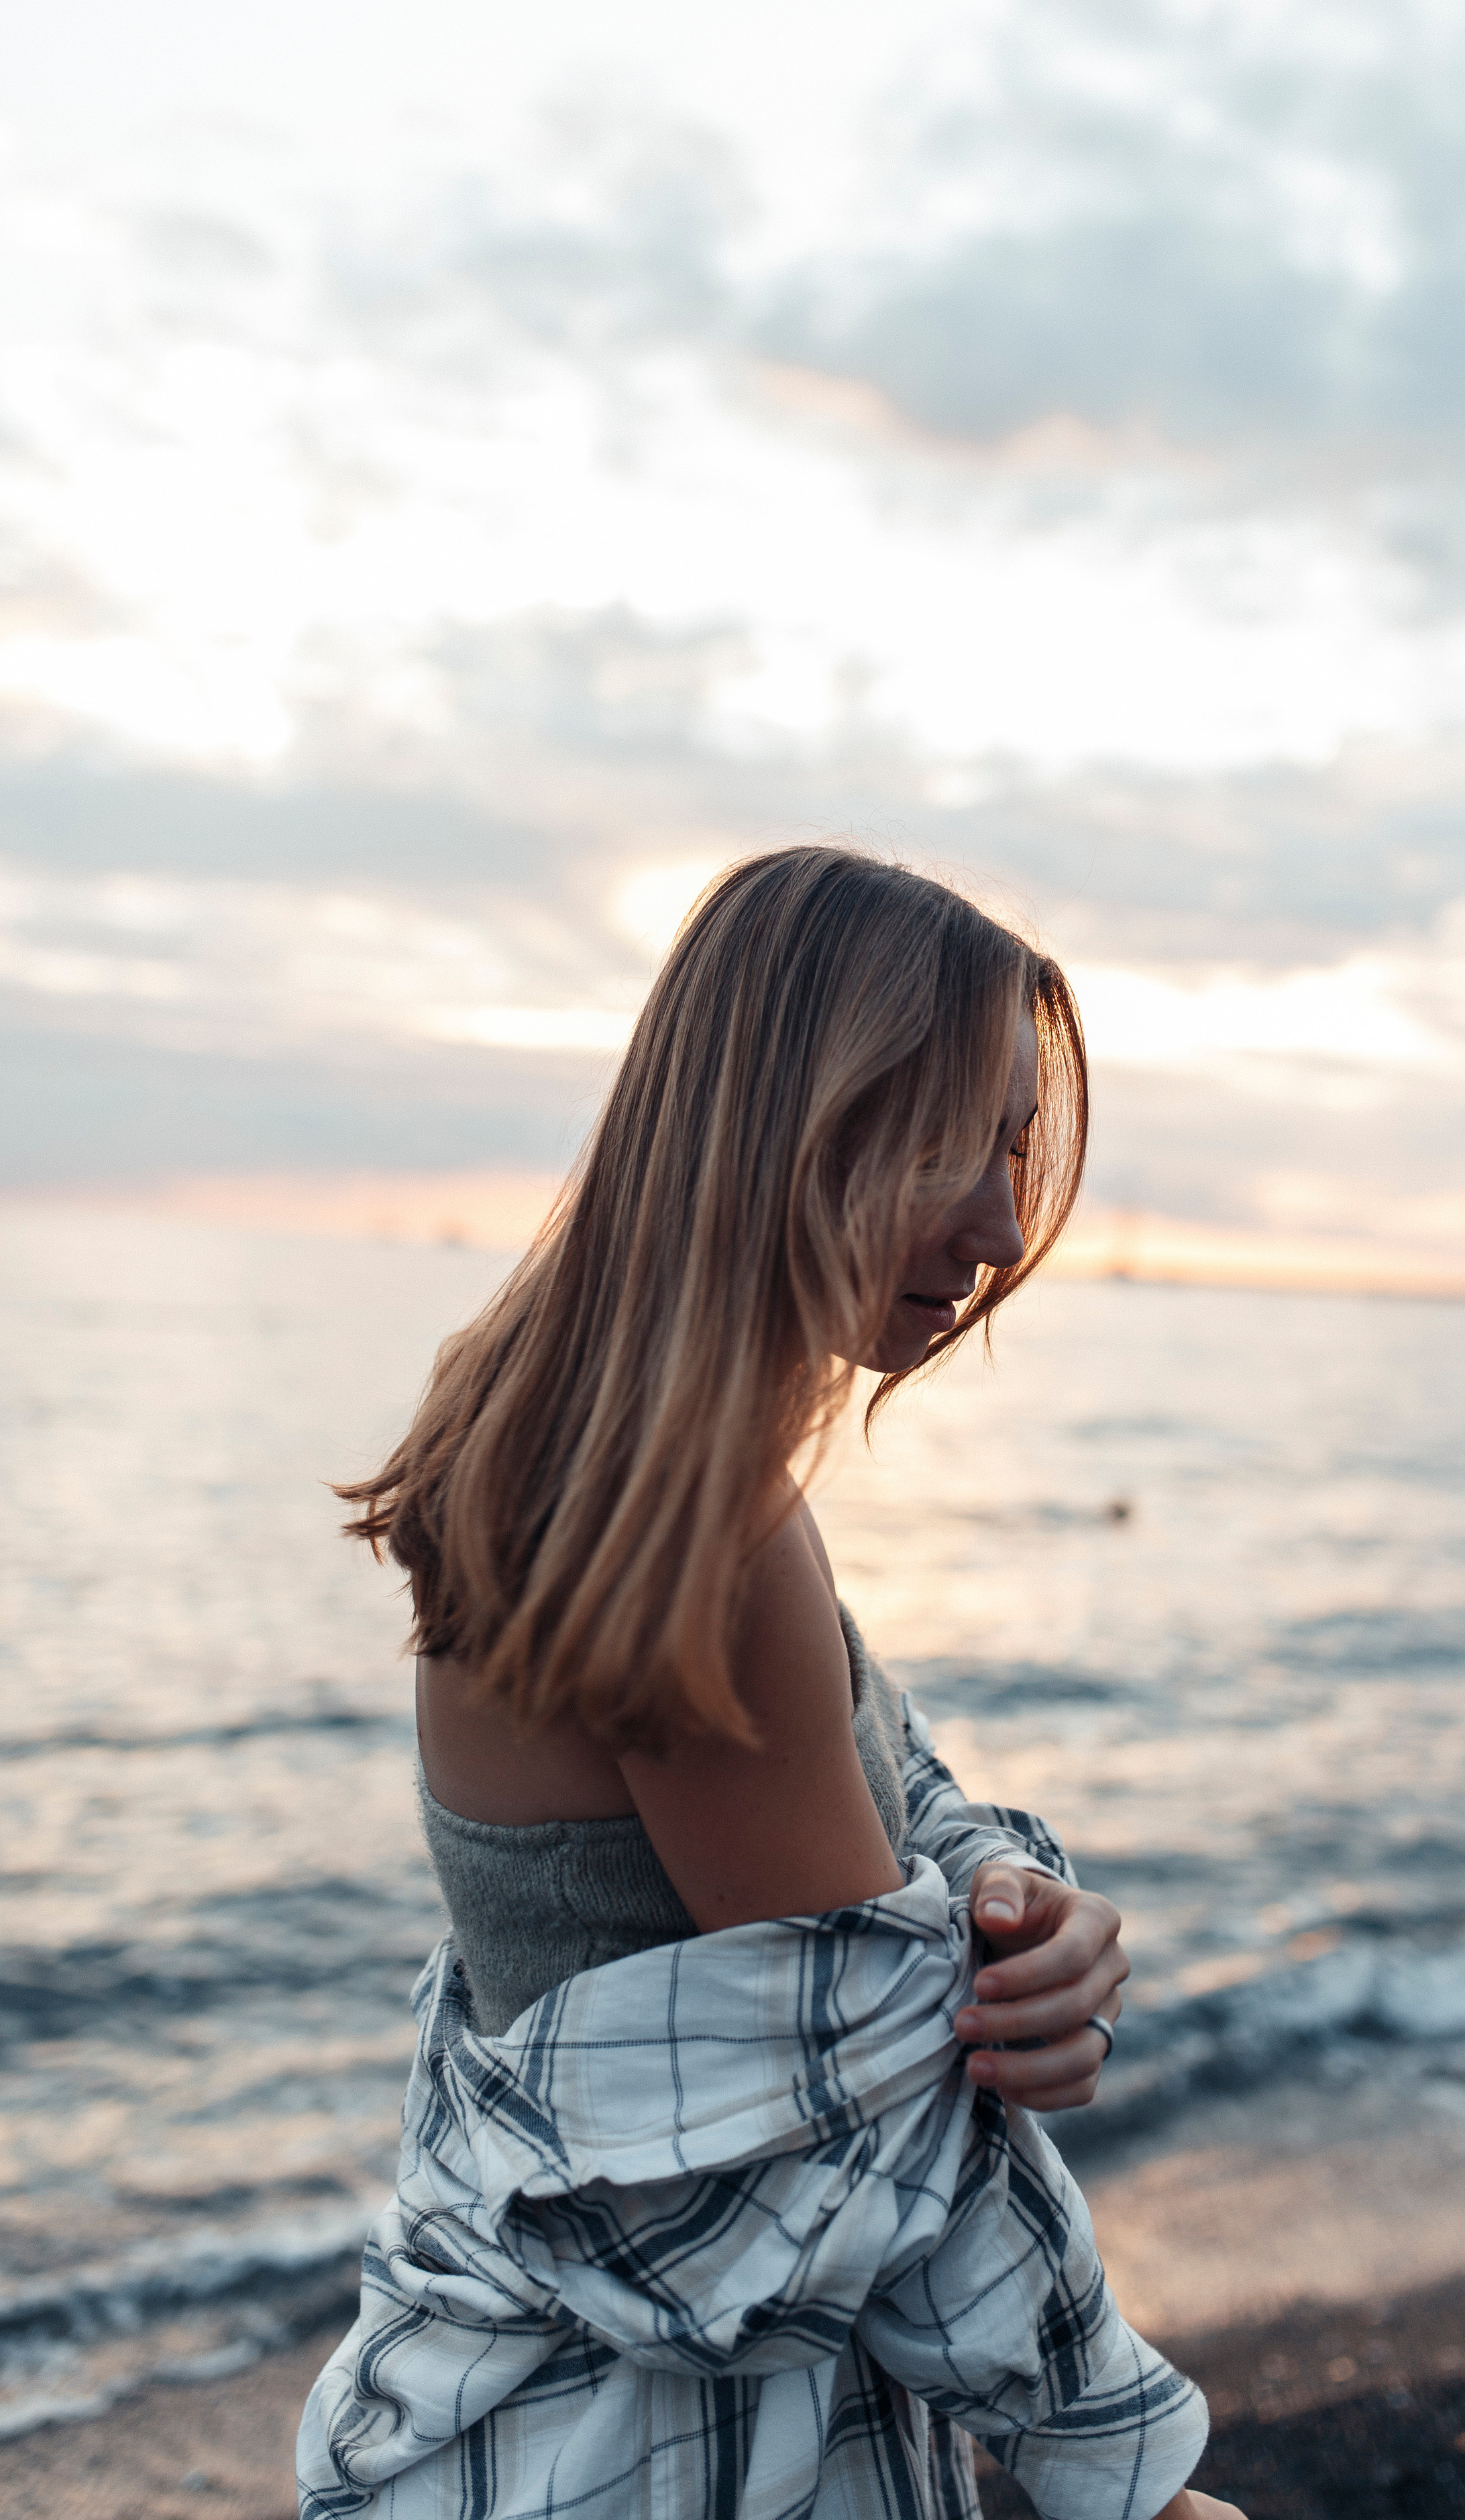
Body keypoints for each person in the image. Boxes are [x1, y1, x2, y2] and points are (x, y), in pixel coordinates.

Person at [298, 846, 1246, 2520]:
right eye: (955, 1142)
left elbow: (890, 1795)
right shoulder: (701, 1526)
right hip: (658, 2453)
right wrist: (1133, 2479)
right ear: (789, 1109)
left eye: (1016, 1152)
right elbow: (873, 2112)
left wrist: (1004, 1895)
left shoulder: (596, 1447)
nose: (1001, 1225)